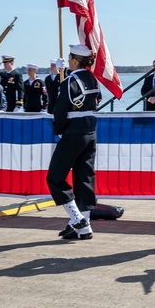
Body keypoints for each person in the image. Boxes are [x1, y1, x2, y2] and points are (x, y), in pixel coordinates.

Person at [47, 44, 100, 241]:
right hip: (90, 131)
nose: (68, 61)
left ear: (75, 61)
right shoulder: (93, 79)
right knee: (84, 177)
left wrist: (59, 130)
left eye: (70, 58)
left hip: (73, 132)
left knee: (55, 177)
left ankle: (78, 219)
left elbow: (59, 110)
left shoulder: (70, 81)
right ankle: (82, 227)